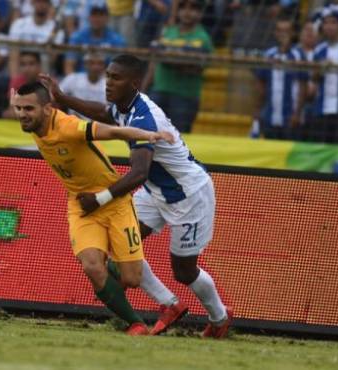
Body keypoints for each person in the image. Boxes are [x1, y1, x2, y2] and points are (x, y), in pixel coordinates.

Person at [41, 54, 233, 339]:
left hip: (189, 196)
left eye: (116, 78)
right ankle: (169, 304)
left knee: (183, 270)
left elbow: (139, 172)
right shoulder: (125, 105)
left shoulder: (145, 117)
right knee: (120, 246)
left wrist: (100, 199)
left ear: (134, 83)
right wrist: (64, 98)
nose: (108, 82)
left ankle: (219, 319)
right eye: (108, 75)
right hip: (156, 192)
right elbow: (105, 114)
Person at [11, 81, 179, 336]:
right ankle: (134, 324)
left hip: (114, 202)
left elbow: (112, 132)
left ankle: (120, 280)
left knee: (132, 278)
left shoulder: (69, 127)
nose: (22, 115)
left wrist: (148, 135)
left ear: (47, 109)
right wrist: (19, 97)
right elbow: (22, 100)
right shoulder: (33, 123)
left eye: (28, 109)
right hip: (81, 205)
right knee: (91, 266)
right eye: (19, 108)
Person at [143, 0, 213, 133]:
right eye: (183, 7)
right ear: (178, 11)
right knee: (150, 134)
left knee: (179, 140)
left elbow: (198, 68)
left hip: (185, 97)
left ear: (199, 13)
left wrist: (169, 59)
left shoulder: (203, 38)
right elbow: (154, 62)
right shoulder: (168, 31)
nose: (187, 12)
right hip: (159, 91)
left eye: (193, 8)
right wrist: (144, 90)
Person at [252, 16, 307, 140]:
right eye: (280, 31)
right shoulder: (268, 54)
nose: (283, 34)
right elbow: (261, 85)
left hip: (291, 118)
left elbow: (303, 87)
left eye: (286, 31)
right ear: (275, 33)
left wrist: (297, 113)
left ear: (293, 33)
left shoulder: (298, 55)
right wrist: (257, 111)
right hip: (270, 117)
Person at [308, 4, 338, 153]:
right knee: (322, 152)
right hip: (322, 110)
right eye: (326, 22)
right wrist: (320, 69)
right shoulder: (319, 50)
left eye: (333, 22)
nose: (329, 26)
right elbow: (313, 80)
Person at [59, 52, 107, 119]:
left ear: (104, 66)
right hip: (74, 122)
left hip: (99, 125)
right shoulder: (73, 79)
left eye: (100, 63)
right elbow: (57, 95)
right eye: (92, 63)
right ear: (85, 64)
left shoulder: (108, 84)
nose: (96, 67)